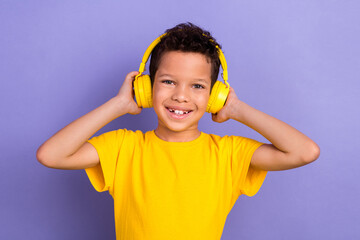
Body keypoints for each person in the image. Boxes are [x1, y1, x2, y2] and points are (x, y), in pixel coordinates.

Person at [36, 22, 320, 240]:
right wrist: (119, 104)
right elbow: (51, 155)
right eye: (169, 81)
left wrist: (236, 109)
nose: (181, 96)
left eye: (197, 86)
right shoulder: (124, 147)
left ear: (214, 95)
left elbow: (305, 151)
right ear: (146, 88)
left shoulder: (229, 154)